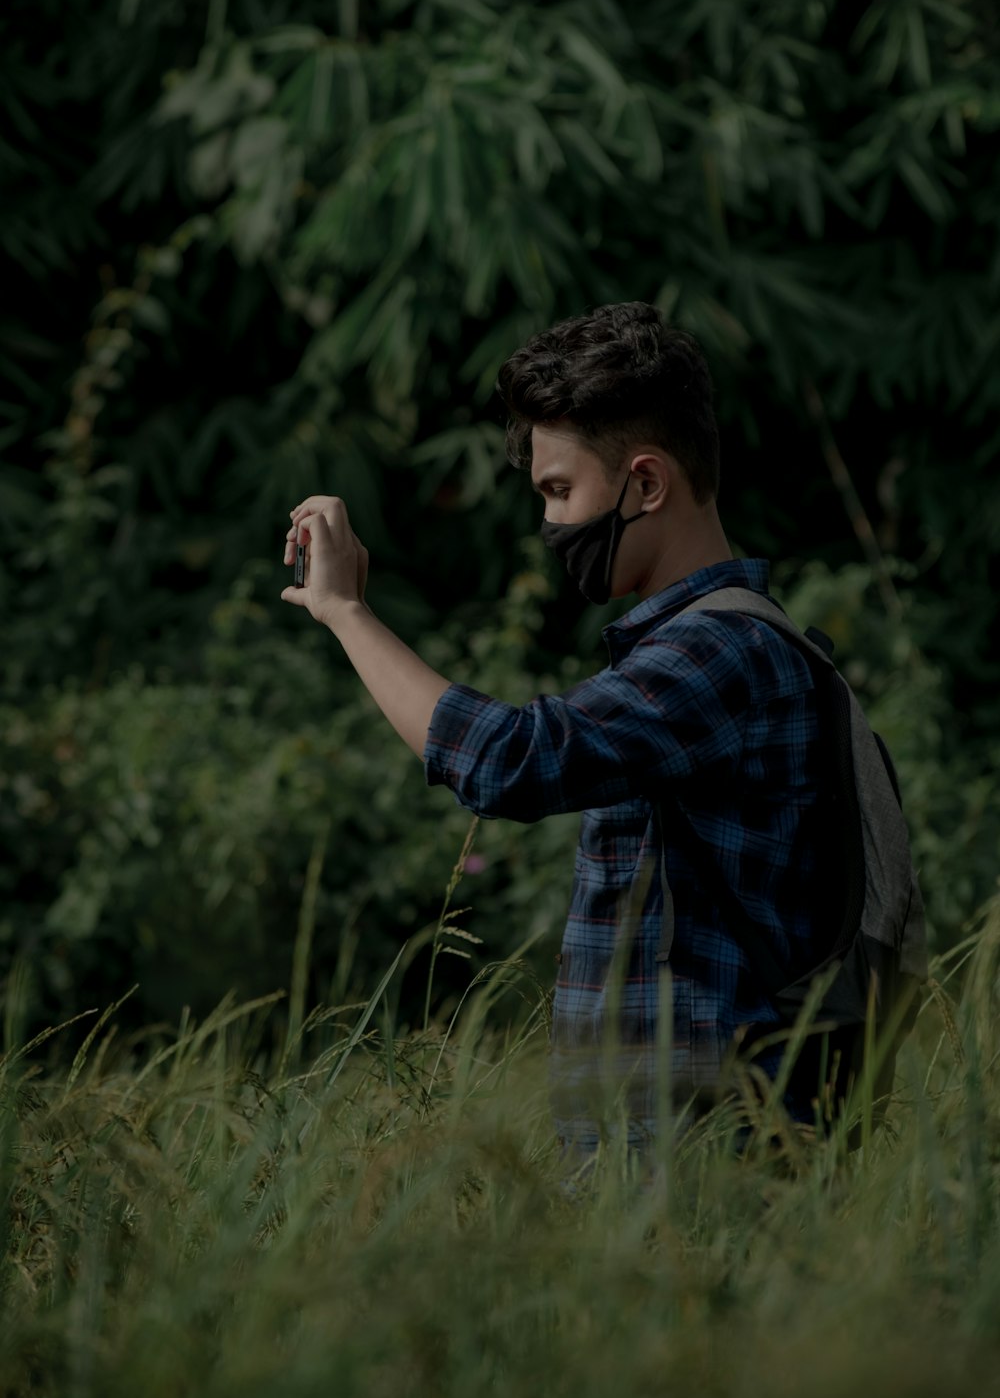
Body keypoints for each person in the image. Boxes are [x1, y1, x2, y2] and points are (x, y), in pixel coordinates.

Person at [280, 301, 827, 1161]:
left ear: (646, 484)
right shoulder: (704, 649)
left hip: (704, 1166)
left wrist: (348, 614)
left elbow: (510, 762)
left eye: (561, 491)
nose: (551, 526)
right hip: (663, 1158)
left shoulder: (725, 652)